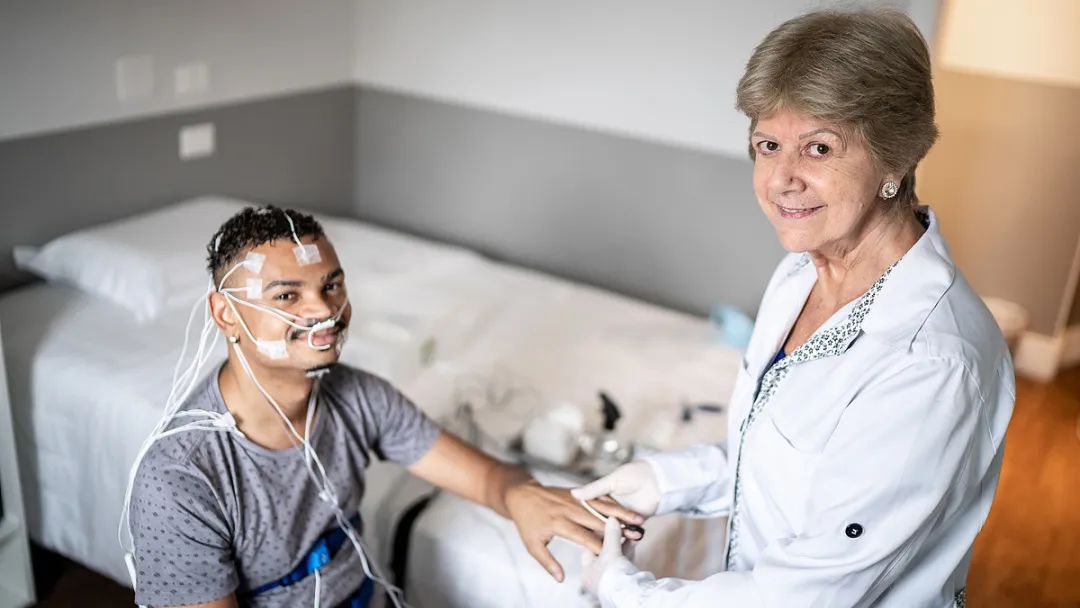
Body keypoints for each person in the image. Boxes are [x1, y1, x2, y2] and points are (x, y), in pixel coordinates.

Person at [575, 9, 1015, 607]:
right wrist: (662, 480)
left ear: (894, 157)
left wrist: (620, 589)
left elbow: (805, 594)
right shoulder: (801, 273)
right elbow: (786, 464)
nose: (783, 178)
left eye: (818, 148)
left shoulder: (929, 361)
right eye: (768, 145)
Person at [125, 206, 643, 607]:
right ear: (225, 314)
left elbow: (488, 479)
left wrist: (523, 496)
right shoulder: (179, 479)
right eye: (287, 296)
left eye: (332, 285)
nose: (324, 310)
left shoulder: (358, 397)